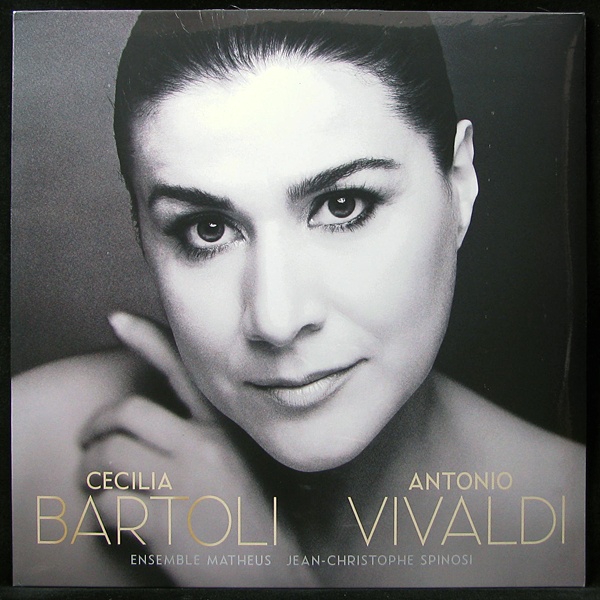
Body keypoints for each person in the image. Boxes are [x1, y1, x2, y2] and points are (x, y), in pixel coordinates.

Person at [12, 11, 584, 587]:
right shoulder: (27, 461)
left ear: (458, 184)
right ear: (141, 231)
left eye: (342, 206)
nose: (277, 320)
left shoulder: (577, 531)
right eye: (208, 229)